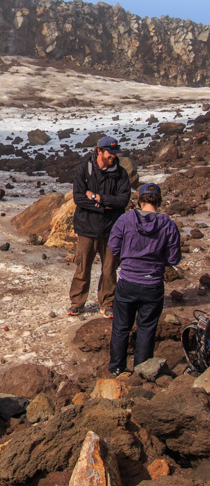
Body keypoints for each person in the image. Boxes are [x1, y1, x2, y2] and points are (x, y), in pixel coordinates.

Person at [107, 182, 181, 374]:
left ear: (139, 201)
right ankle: (141, 371)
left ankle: (116, 368)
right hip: (152, 283)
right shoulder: (168, 225)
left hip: (128, 281)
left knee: (121, 328)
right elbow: (174, 258)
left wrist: (129, 255)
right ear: (160, 201)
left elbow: (113, 246)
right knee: (146, 328)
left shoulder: (125, 220)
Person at [68, 135, 131, 318]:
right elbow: (78, 197)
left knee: (110, 269)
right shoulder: (84, 170)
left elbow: (122, 200)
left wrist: (97, 198)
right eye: (110, 153)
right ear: (99, 151)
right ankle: (77, 303)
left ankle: (108, 303)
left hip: (112, 229)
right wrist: (104, 206)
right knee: (82, 267)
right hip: (87, 228)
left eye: (114, 153)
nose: (113, 156)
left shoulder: (121, 173)